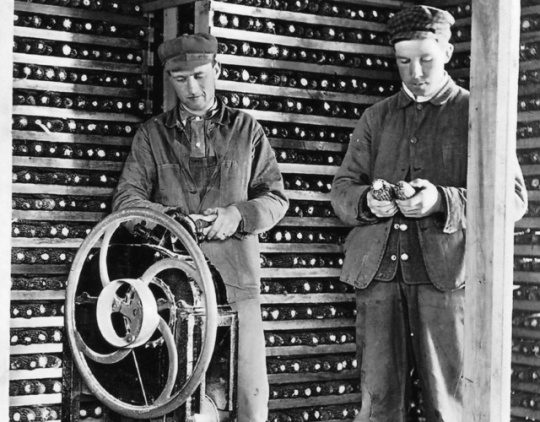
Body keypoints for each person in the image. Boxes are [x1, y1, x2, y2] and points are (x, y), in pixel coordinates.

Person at [331, 6, 528, 422]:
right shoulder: (376, 118)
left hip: (446, 281)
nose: (415, 71)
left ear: (448, 52)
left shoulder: (478, 114)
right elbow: (342, 191)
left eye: (425, 59)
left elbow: (512, 199)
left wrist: (441, 200)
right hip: (378, 280)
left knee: (449, 403)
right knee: (378, 404)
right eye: (404, 61)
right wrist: (368, 202)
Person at [112, 32, 289, 422]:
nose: (191, 88)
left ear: (218, 70)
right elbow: (126, 201)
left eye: (200, 75)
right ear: (169, 80)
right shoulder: (152, 136)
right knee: (185, 405)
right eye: (180, 79)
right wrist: (171, 221)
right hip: (174, 289)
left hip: (238, 285)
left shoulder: (247, 131)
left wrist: (237, 216)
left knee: (249, 401)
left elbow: (275, 198)